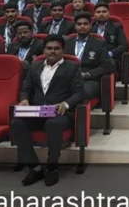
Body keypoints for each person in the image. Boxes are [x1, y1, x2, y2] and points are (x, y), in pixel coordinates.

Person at [12, 35, 85, 187]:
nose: (52, 51)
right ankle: (35, 167)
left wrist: (66, 104)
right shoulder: (35, 66)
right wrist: (24, 99)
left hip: (60, 112)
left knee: (53, 124)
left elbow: (79, 93)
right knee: (16, 123)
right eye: (49, 48)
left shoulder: (72, 67)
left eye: (56, 48)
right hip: (38, 111)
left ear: (63, 50)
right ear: (44, 50)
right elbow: (26, 88)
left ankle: (52, 166)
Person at [64, 13, 112, 102]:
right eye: (79, 24)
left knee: (82, 93)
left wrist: (87, 74)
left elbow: (106, 66)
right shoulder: (67, 42)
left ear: (90, 26)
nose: (82, 26)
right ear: (75, 27)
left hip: (88, 79)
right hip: (68, 78)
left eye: (85, 24)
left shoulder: (99, 43)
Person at [92, 3, 128, 74]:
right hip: (92, 57)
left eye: (104, 11)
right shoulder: (90, 27)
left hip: (110, 58)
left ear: (109, 13)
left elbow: (124, 46)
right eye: (98, 12)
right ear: (94, 15)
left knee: (107, 64)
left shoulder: (116, 27)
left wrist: (109, 53)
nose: (101, 14)